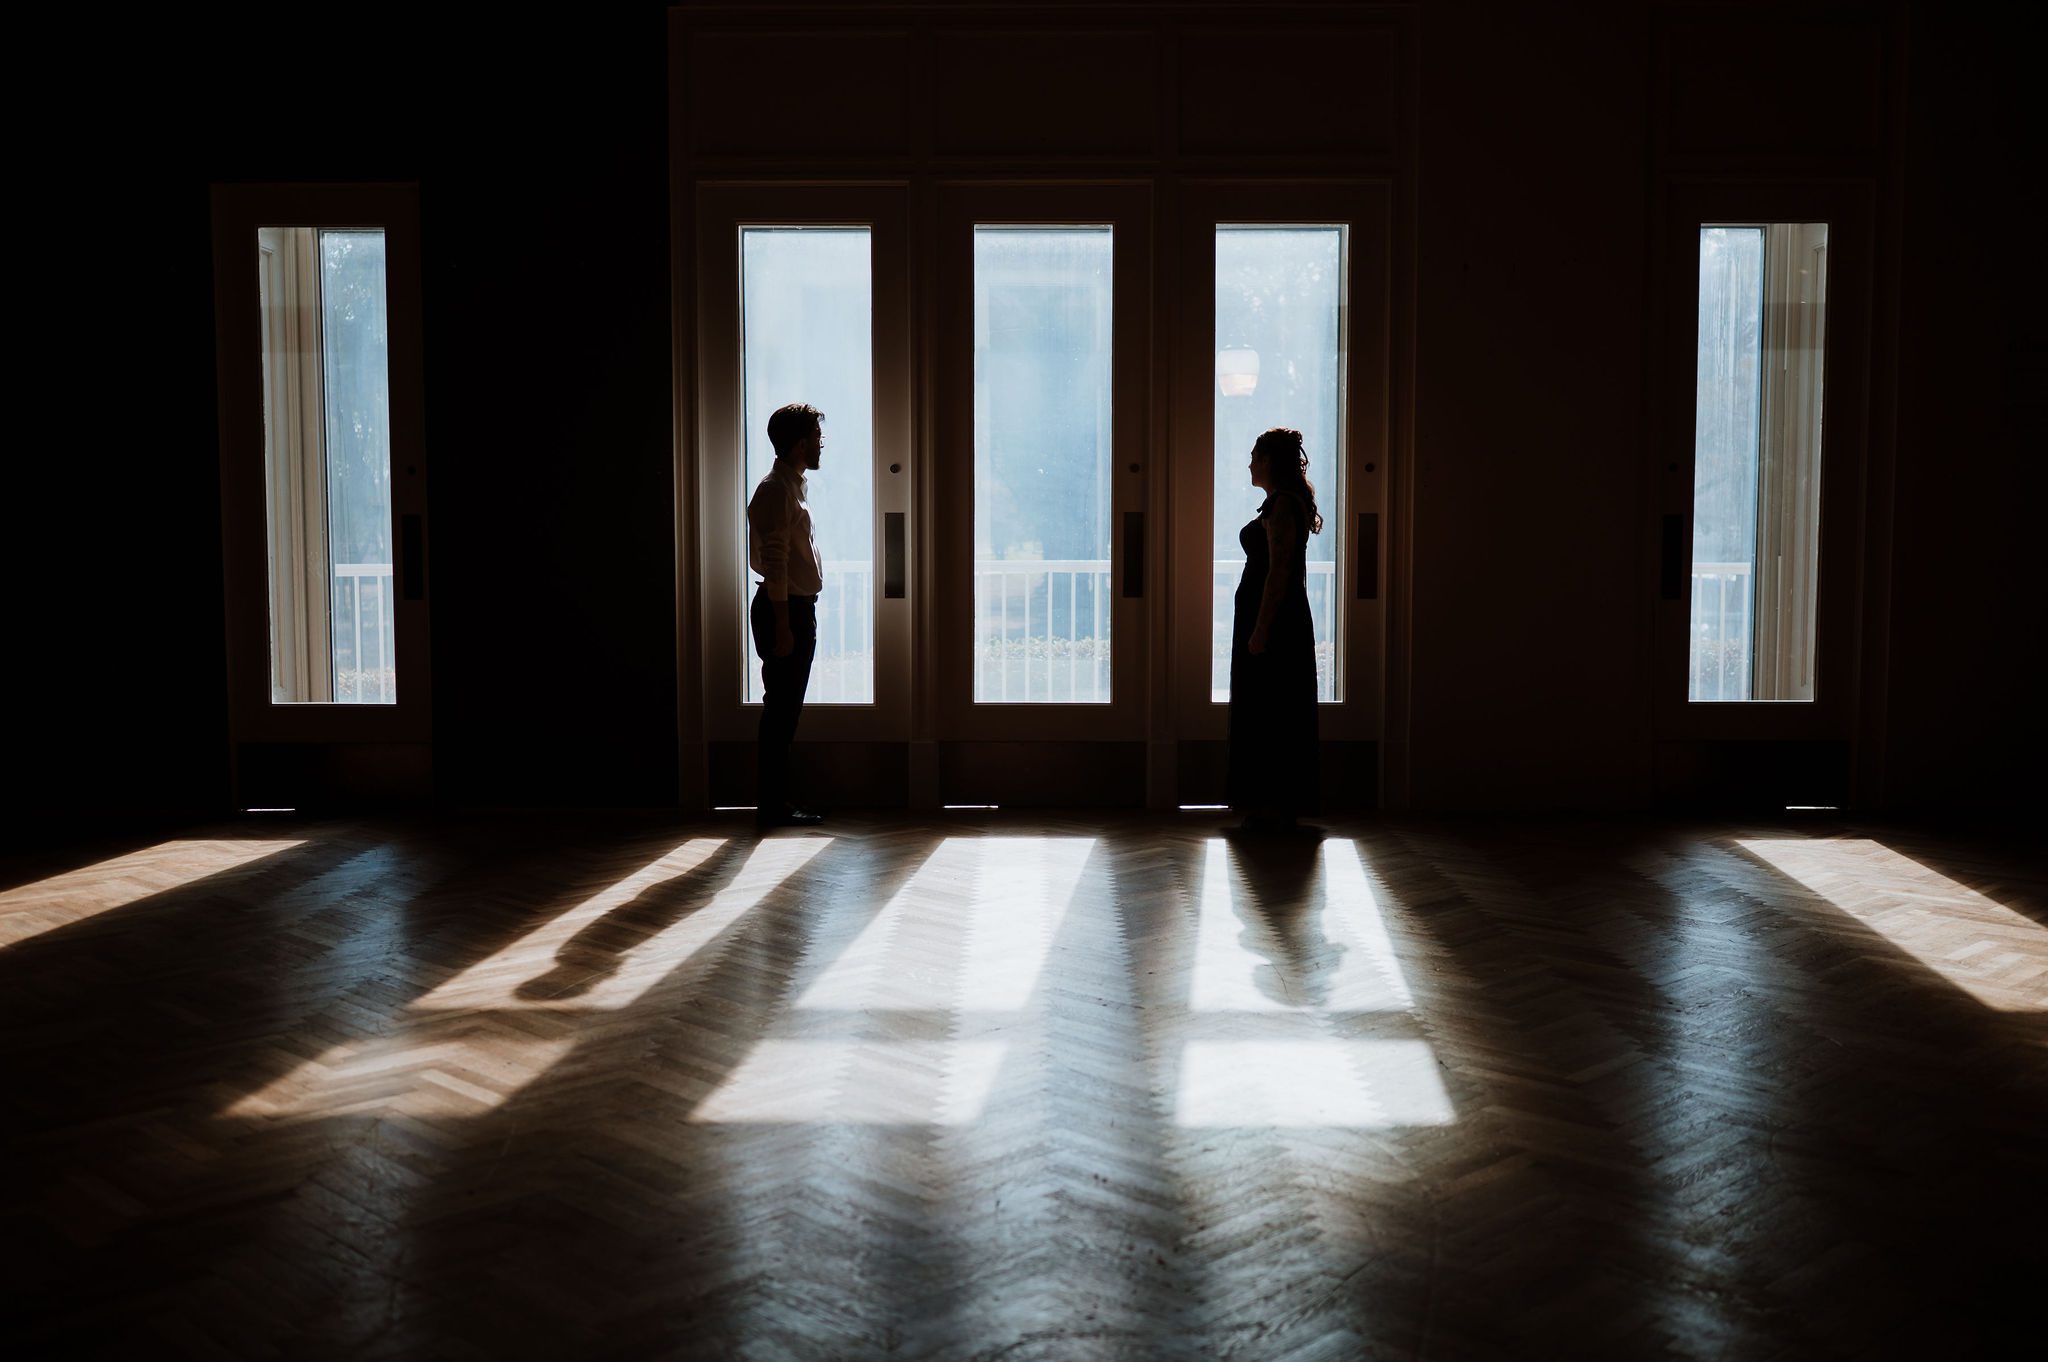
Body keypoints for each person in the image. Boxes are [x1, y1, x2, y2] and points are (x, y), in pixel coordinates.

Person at [1227, 426, 1322, 830]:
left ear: (1269, 461)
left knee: (1272, 709)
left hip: (1277, 621)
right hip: (1271, 616)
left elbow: (1280, 571)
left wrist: (1262, 627)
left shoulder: (1283, 505)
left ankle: (1274, 804)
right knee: (1268, 707)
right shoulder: (1278, 503)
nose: (1249, 462)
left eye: (1255, 455)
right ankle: (1270, 802)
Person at [746, 403, 828, 829]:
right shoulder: (776, 490)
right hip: (786, 611)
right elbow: (775, 564)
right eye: (816, 436)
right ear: (800, 443)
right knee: (781, 710)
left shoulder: (789, 486)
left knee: (784, 709)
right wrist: (783, 625)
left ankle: (774, 803)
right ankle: (771, 805)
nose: (821, 443)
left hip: (794, 610)